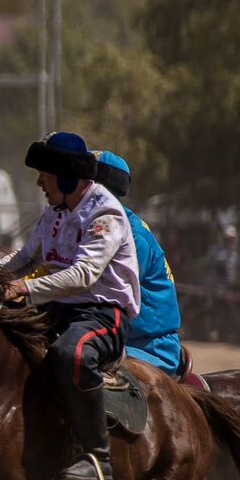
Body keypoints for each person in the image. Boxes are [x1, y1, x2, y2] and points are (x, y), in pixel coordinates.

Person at [3, 132, 140, 480]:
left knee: (71, 354)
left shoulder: (105, 215)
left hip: (101, 315)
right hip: (56, 309)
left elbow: (83, 275)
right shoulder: (55, 212)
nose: (39, 183)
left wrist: (25, 288)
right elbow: (24, 258)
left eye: (44, 176)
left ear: (66, 178)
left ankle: (97, 459)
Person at [94, 151, 182, 374]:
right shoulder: (100, 225)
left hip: (150, 348)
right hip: (121, 340)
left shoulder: (131, 236)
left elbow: (109, 292)